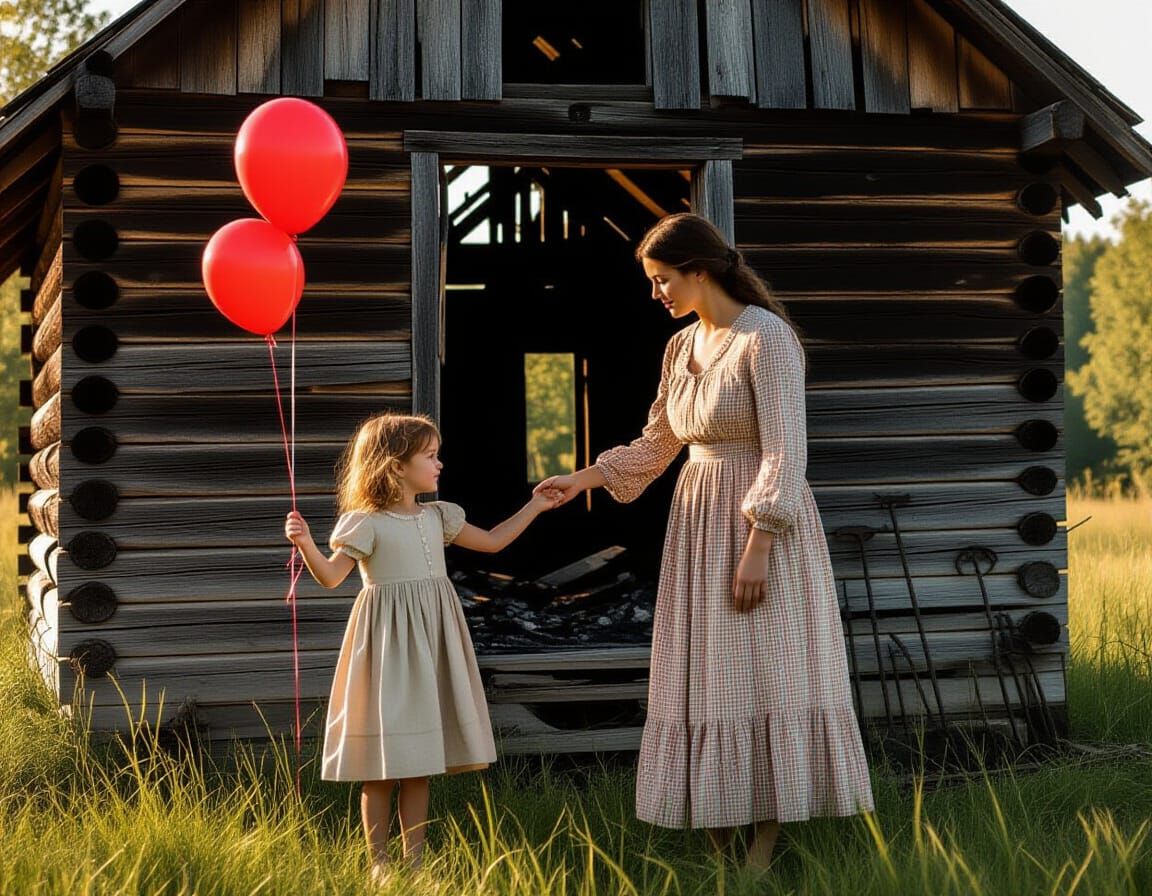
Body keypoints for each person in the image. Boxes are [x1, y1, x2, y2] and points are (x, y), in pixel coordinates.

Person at [535, 213, 873, 870]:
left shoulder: (765, 339)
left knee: (765, 674)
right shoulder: (679, 347)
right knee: (709, 678)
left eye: (662, 280)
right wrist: (586, 478)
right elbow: (661, 443)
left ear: (700, 270)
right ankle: (720, 840)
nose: (655, 293)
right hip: (697, 528)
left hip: (758, 529)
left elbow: (785, 450)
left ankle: (763, 851)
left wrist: (760, 543)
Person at [285, 412, 561, 882]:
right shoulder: (366, 523)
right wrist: (307, 543)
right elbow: (331, 578)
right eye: (430, 456)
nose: (439, 464)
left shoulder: (438, 516)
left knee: (418, 763)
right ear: (395, 467)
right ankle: (378, 865)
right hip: (387, 648)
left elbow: (493, 542)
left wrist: (534, 506)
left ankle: (414, 864)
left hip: (431, 643)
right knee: (382, 764)